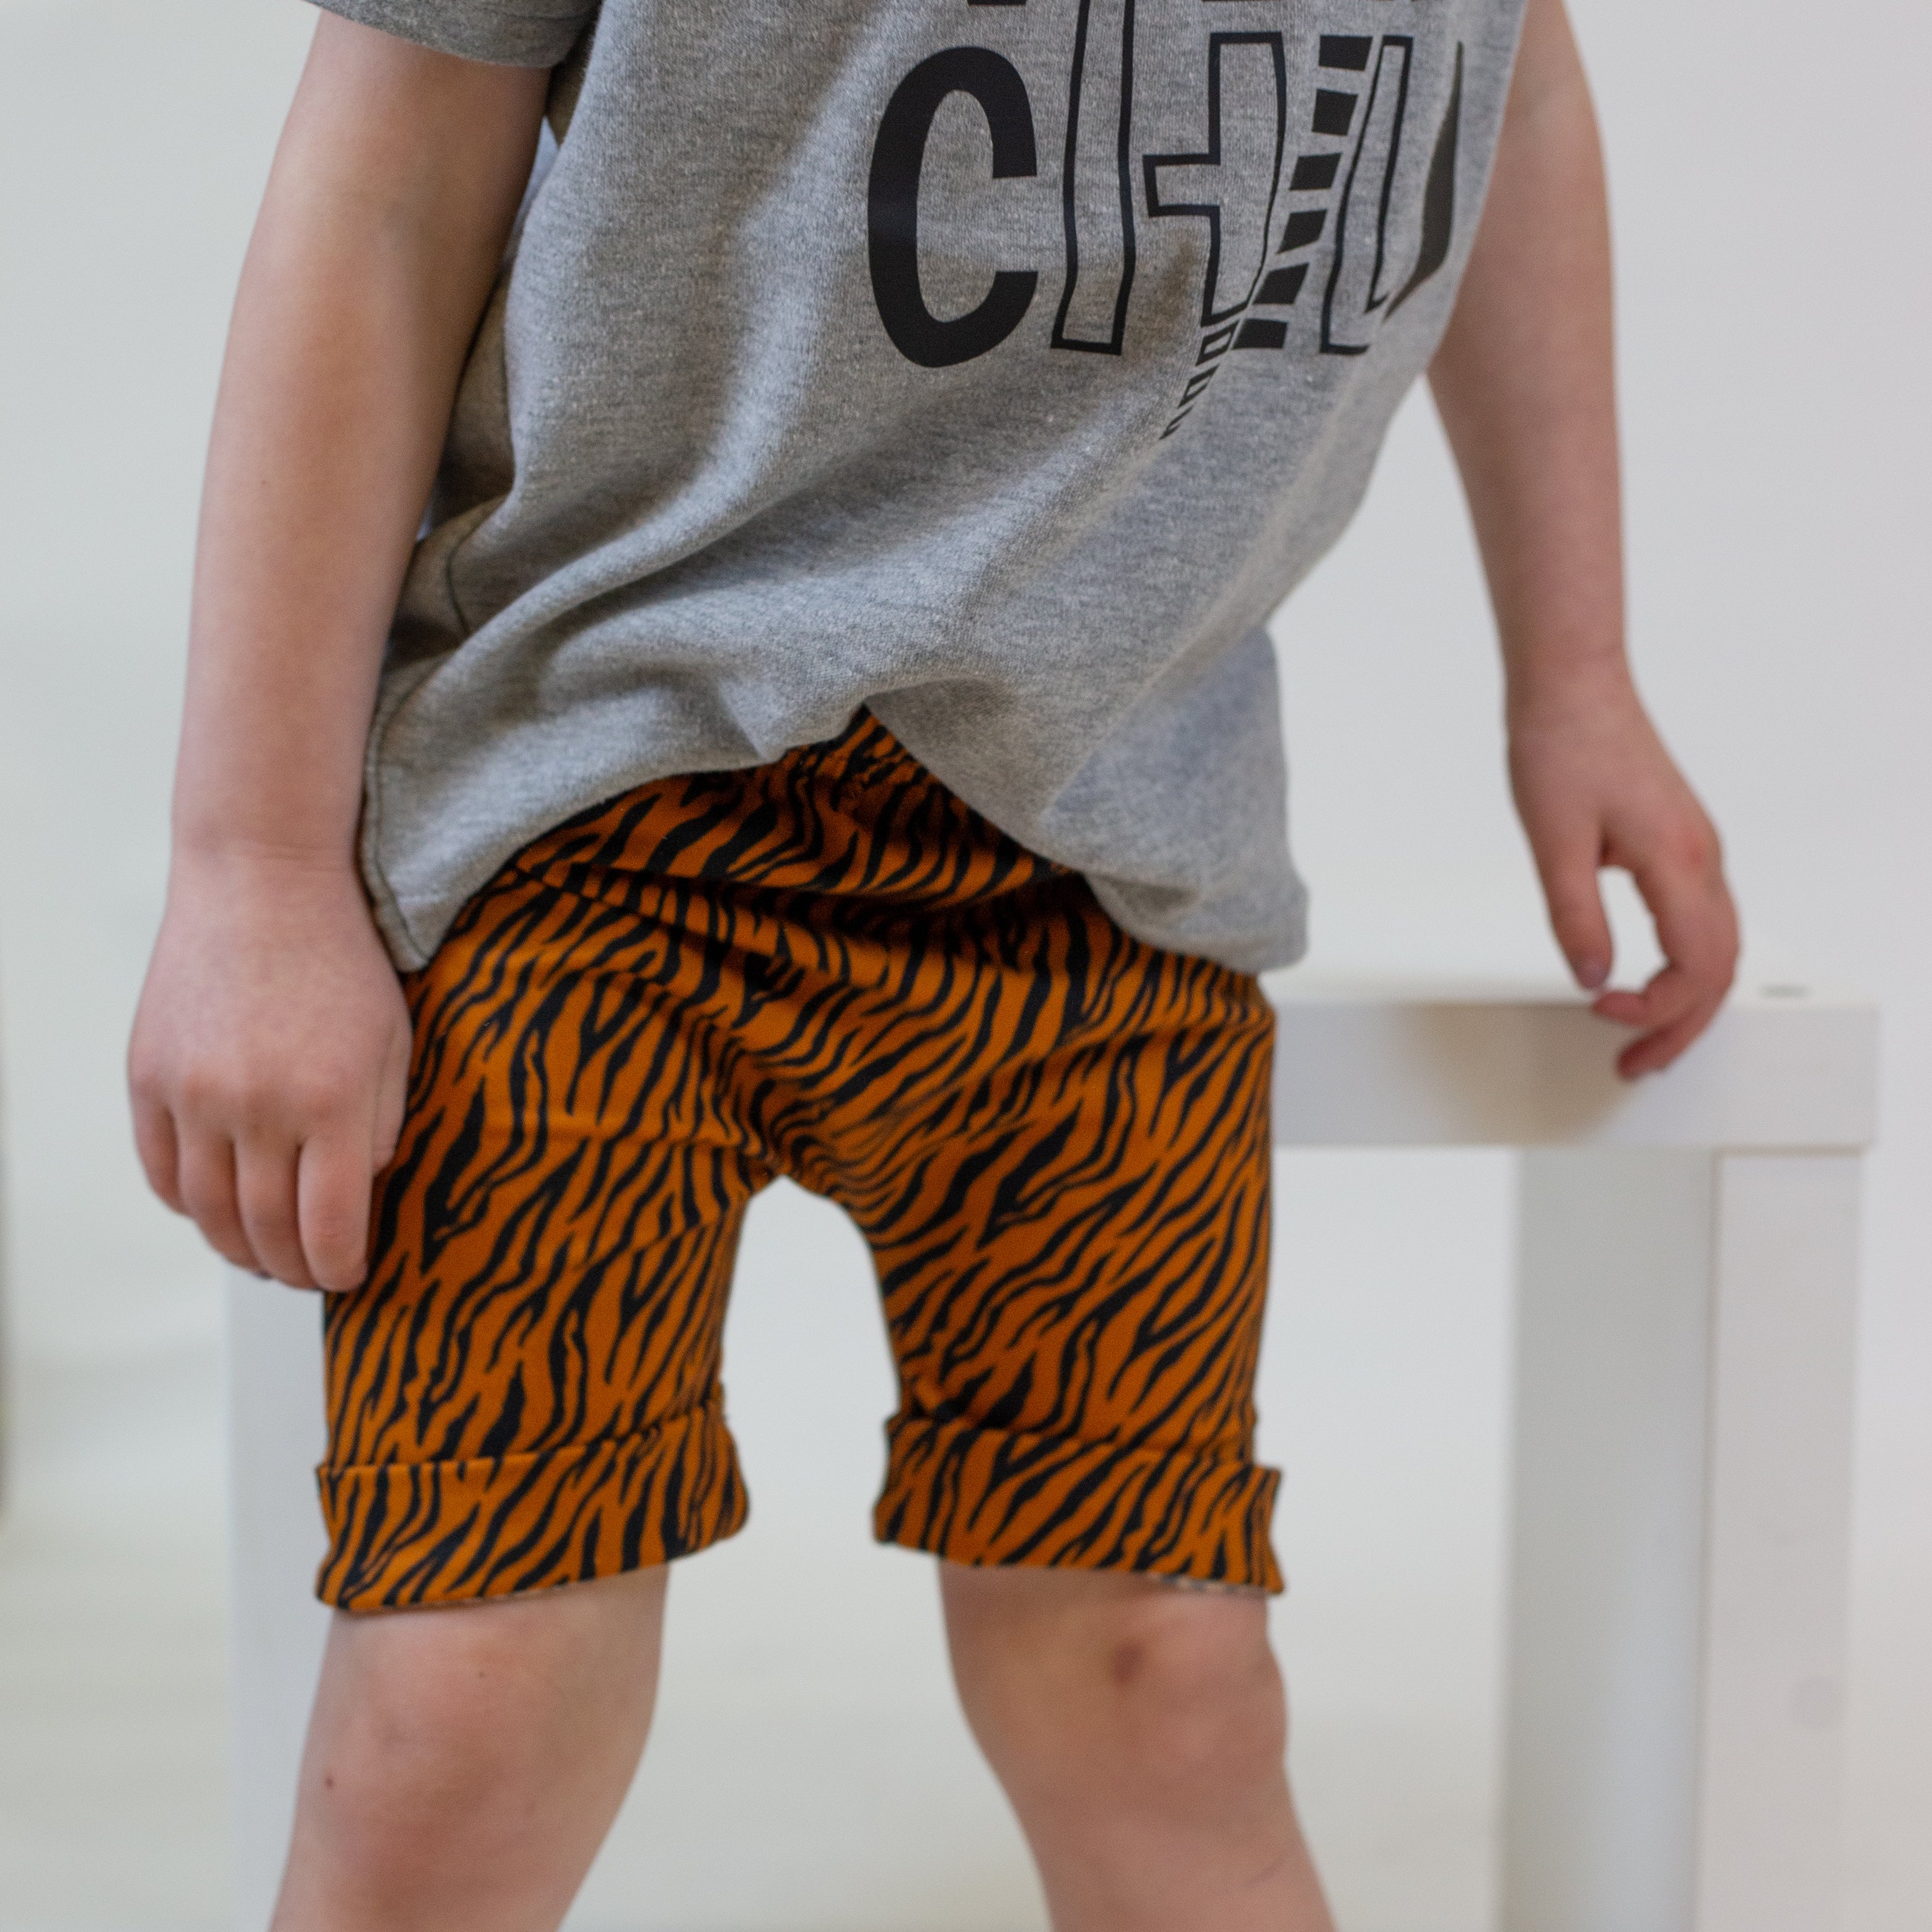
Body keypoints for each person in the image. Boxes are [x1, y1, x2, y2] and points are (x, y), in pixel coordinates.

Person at [126, 0, 1739, 1925]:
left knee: (1166, 1685)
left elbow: (1512, 93)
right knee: (465, 1700)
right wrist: (251, 866)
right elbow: (386, 179)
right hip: (590, 810)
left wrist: (1577, 673)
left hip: (1109, 832)